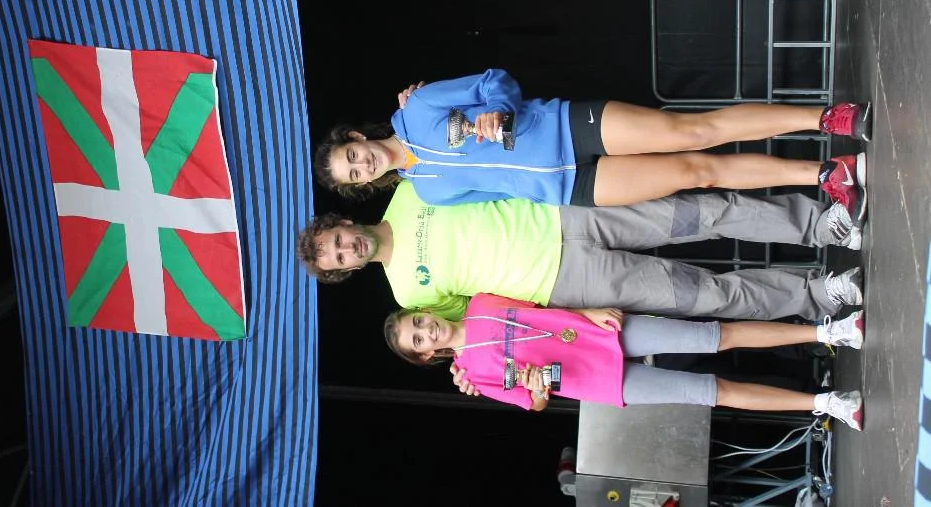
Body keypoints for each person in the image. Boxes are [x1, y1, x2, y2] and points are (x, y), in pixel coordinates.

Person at [313, 69, 870, 221]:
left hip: (564, 127)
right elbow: (501, 194)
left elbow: (494, 80)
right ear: (364, 185)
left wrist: (497, 110)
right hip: (570, 188)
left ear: (357, 139)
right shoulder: (429, 194)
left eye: (352, 156)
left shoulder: (416, 108)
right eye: (355, 175)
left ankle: (826, 118)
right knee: (698, 173)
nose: (363, 165)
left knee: (693, 131)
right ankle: (826, 175)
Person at [296, 180, 864, 322]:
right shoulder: (409, 294)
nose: (347, 249)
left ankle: (821, 226)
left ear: (342, 221)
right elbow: (487, 318)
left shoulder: (410, 190)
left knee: (701, 212)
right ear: (346, 271)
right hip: (569, 282)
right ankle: (818, 295)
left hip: (567, 211)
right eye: (338, 259)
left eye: (337, 241)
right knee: (704, 296)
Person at [383, 294, 865, 431]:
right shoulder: (473, 375)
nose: (427, 330)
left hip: (597, 330)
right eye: (418, 339)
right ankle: (826, 404)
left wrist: (588, 312)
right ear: (424, 354)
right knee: (713, 392)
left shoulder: (478, 303)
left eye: (418, 321)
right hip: (597, 381)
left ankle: (828, 332)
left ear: (425, 312)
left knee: (716, 336)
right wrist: (538, 389)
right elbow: (534, 404)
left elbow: (539, 307)